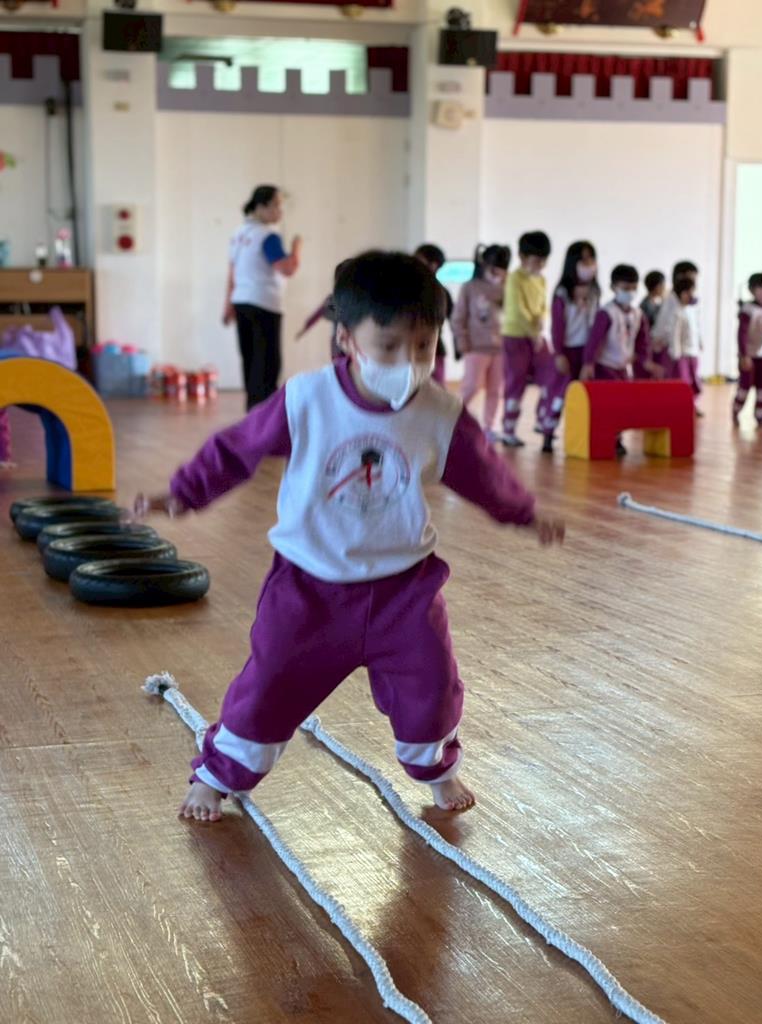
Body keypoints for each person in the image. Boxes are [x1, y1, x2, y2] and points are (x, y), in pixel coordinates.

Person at [135, 251, 565, 822]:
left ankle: (438, 769)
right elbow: (237, 449)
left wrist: (525, 513)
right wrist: (184, 492)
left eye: (424, 347)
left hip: (404, 590)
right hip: (308, 588)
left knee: (432, 686)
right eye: (389, 347)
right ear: (346, 339)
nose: (408, 362)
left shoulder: (439, 412)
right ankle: (217, 777)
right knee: (268, 687)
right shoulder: (307, 399)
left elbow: (483, 473)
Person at [223, 185, 302, 410]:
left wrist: (227, 305)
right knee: (267, 362)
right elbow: (287, 268)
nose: (280, 211)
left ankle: (252, 409)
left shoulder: (239, 234)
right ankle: (265, 412)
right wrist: (296, 248)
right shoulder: (268, 236)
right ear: (261, 207)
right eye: (276, 205)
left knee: (249, 359)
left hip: (241, 301)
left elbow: (232, 272)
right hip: (264, 304)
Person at [581, 264, 661, 456]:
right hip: (605, 367)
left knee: (623, 405)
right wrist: (588, 363)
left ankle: (617, 438)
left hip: (623, 367)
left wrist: (646, 361)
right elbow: (594, 340)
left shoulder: (638, 314)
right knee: (607, 406)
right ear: (614, 287)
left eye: (633, 288)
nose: (630, 293)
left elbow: (643, 341)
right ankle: (605, 439)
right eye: (625, 288)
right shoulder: (606, 313)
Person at [539, 241, 600, 453]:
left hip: (586, 351)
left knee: (586, 394)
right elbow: (557, 325)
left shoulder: (594, 292)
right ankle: (548, 433)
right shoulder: (562, 293)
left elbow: (595, 326)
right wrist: (559, 353)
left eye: (591, 259)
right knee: (559, 393)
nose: (588, 264)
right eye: (583, 260)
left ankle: (584, 435)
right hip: (566, 351)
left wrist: (590, 358)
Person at [451, 243, 511, 441]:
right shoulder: (470, 287)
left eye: (502, 268)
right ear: (483, 265)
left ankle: (490, 427)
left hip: (501, 349)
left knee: (496, 390)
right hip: (476, 347)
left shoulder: (508, 287)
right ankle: (452, 419)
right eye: (493, 268)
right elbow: (458, 317)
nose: (497, 273)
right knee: (471, 386)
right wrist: (462, 340)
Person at [500, 231, 552, 447]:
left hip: (536, 338)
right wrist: (533, 332)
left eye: (544, 260)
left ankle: (543, 420)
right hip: (515, 337)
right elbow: (517, 311)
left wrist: (541, 321)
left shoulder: (541, 280)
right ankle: (508, 430)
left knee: (551, 374)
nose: (541, 264)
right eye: (536, 259)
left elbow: (544, 307)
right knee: (516, 382)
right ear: (522, 257)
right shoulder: (514, 278)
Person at [651, 274, 703, 409]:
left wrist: (700, 343)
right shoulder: (676, 312)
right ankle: (679, 406)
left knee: (694, 380)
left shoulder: (691, 310)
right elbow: (674, 335)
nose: (691, 295)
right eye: (688, 292)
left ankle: (691, 404)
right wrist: (675, 354)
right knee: (683, 381)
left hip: (693, 353)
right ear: (681, 294)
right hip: (681, 354)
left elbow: (696, 329)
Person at [733, 272, 762, 427]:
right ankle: (736, 410)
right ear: (752, 290)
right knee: (745, 387)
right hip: (748, 355)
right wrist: (744, 355)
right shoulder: (747, 309)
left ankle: (760, 414)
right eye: (760, 288)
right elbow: (741, 333)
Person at [414, 244, 452, 385]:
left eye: (419, 259)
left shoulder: (441, 292)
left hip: (434, 349)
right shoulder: (405, 289)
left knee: (437, 388)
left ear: (434, 265)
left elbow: (453, 318)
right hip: (411, 348)